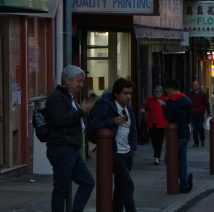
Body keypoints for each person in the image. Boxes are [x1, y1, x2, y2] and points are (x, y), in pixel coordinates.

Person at [45, 65, 95, 212]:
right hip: (61, 148)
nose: (81, 85)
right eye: (79, 81)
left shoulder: (69, 98)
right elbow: (60, 120)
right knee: (62, 189)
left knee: (87, 182)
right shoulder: (56, 98)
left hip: (71, 148)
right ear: (68, 80)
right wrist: (81, 111)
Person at [87, 78, 138, 212]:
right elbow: (93, 126)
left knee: (120, 188)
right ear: (116, 94)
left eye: (130, 93)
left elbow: (133, 131)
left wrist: (132, 150)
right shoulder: (106, 106)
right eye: (125, 93)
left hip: (127, 153)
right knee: (128, 185)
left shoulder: (128, 108)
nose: (128, 96)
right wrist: (112, 122)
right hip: (115, 153)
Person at [161, 79, 193, 193]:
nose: (167, 94)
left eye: (167, 91)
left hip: (176, 135)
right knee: (182, 159)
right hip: (185, 132)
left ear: (170, 89)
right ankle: (184, 183)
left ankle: (178, 182)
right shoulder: (187, 100)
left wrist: (163, 107)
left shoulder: (171, 102)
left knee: (169, 159)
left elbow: (169, 117)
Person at [140, 85, 169, 165]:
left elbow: (169, 108)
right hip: (151, 122)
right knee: (153, 139)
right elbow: (145, 106)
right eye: (156, 94)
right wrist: (143, 109)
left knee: (159, 140)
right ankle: (157, 153)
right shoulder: (150, 99)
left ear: (162, 93)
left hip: (161, 123)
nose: (157, 96)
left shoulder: (165, 100)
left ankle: (157, 157)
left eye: (159, 94)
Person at [188, 81, 211, 147]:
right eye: (194, 85)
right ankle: (196, 142)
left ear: (198, 86)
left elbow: (206, 103)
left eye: (196, 85)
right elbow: (188, 104)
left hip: (201, 113)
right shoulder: (190, 95)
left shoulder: (203, 94)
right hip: (193, 113)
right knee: (194, 128)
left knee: (200, 127)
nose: (195, 87)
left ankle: (202, 139)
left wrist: (209, 112)